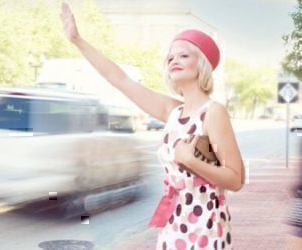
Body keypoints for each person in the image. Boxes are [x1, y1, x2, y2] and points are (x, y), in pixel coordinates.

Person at [61, 2, 245, 249]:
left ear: (201, 63)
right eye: (170, 57)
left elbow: (235, 179)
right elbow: (120, 79)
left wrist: (192, 161)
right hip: (174, 226)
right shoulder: (172, 111)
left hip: (206, 230)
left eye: (183, 55)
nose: (173, 60)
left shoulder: (213, 112)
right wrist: (77, 40)